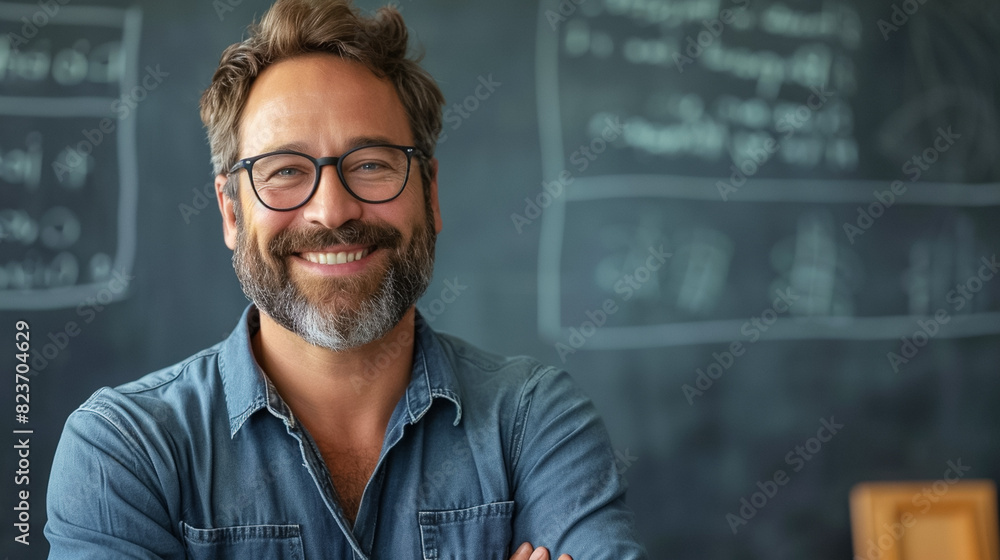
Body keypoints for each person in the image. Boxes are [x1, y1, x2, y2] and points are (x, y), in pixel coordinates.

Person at [44, 0, 647, 558]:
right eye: (283, 171)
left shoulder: (535, 423)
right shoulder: (124, 451)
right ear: (232, 212)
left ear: (430, 195)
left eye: (371, 164)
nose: (332, 211)